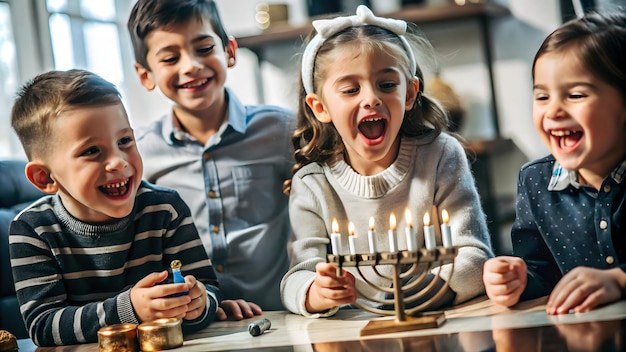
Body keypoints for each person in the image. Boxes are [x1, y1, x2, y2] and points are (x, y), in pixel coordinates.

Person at [280, 5, 494, 317]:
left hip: (441, 319)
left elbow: (474, 257)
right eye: (351, 89)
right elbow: (296, 278)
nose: (371, 99)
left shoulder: (441, 155)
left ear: (410, 93)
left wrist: (420, 297)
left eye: (387, 84)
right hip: (358, 333)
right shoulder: (313, 184)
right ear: (319, 107)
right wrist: (316, 291)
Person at [9, 69, 220, 347]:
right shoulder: (31, 229)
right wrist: (128, 310)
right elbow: (43, 326)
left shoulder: (165, 208)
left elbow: (208, 288)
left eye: (124, 141)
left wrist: (198, 305)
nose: (119, 161)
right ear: (45, 178)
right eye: (91, 151)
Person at [127, 0, 295, 319]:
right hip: (192, 323)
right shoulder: (140, 154)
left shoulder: (282, 130)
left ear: (229, 52)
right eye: (170, 58)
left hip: (277, 315)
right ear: (146, 74)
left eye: (204, 48)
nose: (190, 65)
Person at [483, 10, 626, 315]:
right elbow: (541, 271)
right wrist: (518, 279)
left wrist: (620, 280)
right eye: (542, 97)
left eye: (575, 95)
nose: (554, 111)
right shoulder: (534, 182)